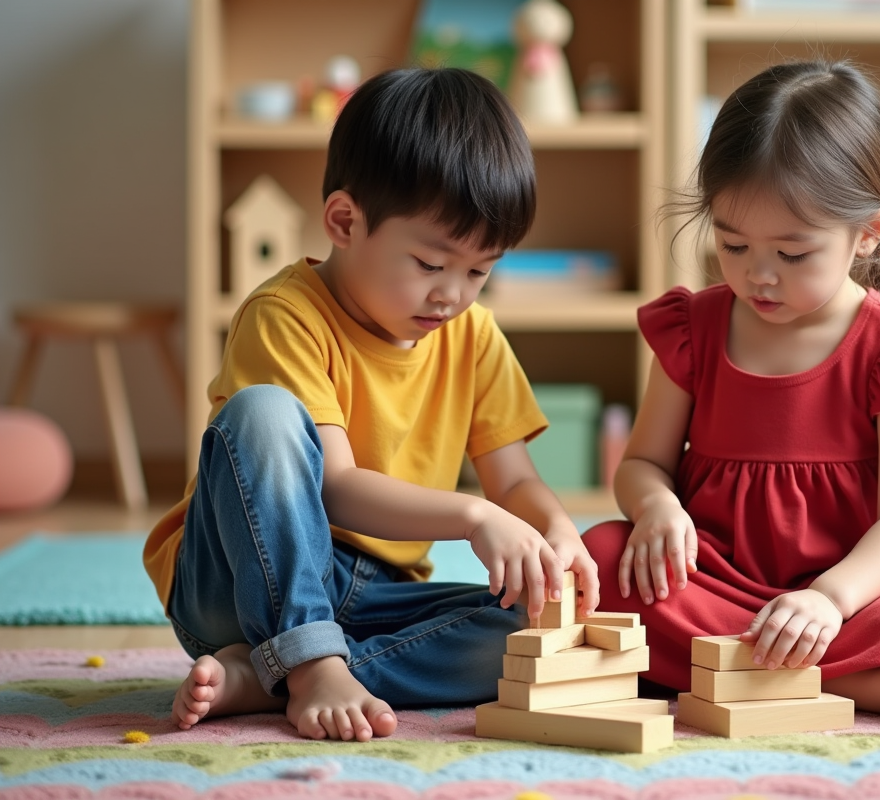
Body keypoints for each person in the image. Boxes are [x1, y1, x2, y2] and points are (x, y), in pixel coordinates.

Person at [143, 68, 598, 742]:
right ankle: (306, 658)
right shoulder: (285, 315)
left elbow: (516, 480)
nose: (453, 296)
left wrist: (556, 533)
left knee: (534, 635)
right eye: (430, 263)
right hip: (235, 579)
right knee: (263, 412)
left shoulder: (471, 336)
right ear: (345, 221)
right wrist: (474, 517)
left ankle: (269, 676)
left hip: (370, 595)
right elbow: (335, 488)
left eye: (479, 271)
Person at [583, 60, 880, 725]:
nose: (758, 276)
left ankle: (770, 670)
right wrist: (656, 510)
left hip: (854, 584)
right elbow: (644, 463)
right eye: (733, 245)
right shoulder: (694, 330)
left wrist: (830, 597)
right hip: (719, 573)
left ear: (867, 234)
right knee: (599, 560)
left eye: (792, 255)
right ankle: (845, 683)